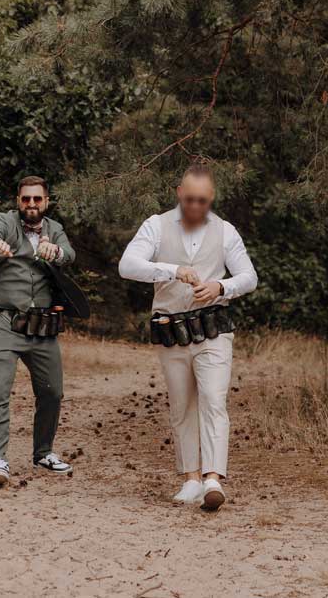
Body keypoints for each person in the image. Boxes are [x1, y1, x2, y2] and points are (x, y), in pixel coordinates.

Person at [118, 164, 257, 511]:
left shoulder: (226, 231)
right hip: (171, 330)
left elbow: (249, 276)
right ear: (179, 191)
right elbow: (127, 265)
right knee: (182, 405)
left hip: (213, 329)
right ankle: (191, 479)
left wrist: (220, 286)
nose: (196, 205)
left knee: (213, 398)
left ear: (211, 198)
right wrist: (171, 270)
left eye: (203, 200)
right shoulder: (155, 225)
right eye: (191, 198)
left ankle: (213, 478)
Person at [0, 176, 76, 485]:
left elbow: (69, 255)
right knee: (0, 392)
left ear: (46, 202)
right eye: (25, 199)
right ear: (18, 201)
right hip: (3, 321)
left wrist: (55, 253)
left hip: (41, 326)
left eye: (37, 199)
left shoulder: (54, 229)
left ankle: (43, 452)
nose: (31, 204)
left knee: (52, 391)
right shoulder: (6, 221)